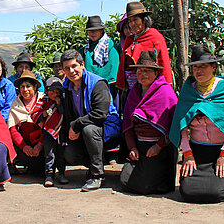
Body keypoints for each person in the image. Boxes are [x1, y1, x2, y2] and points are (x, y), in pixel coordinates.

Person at [170, 45, 224, 203]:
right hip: (196, 152)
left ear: (214, 67)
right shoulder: (189, 90)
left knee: (216, 193)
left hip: (221, 151)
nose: (198, 71)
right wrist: (187, 153)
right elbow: (182, 125)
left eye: (203, 66)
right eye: (195, 67)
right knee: (187, 191)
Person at [60, 49, 121, 191]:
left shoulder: (97, 83)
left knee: (89, 129)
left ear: (82, 65)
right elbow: (69, 114)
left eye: (74, 66)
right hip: (85, 128)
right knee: (70, 154)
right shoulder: (67, 86)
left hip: (107, 127)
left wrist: (76, 125)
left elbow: (100, 114)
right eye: (67, 68)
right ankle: (93, 164)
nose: (71, 71)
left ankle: (97, 175)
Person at [119, 51, 178, 195]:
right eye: (139, 70)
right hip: (140, 148)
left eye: (147, 70)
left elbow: (173, 127)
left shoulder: (166, 92)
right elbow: (128, 126)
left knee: (148, 187)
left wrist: (158, 146)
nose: (142, 74)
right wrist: (132, 147)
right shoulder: (134, 93)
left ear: (156, 73)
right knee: (124, 180)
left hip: (161, 148)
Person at [116, 2, 173, 92]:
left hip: (151, 85)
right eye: (130, 21)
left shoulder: (155, 37)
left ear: (144, 20)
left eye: (135, 20)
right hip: (131, 88)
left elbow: (163, 62)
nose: (132, 24)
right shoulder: (129, 39)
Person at [7, 71, 45, 177]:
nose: (25, 90)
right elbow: (13, 129)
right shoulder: (16, 104)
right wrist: (23, 146)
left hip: (43, 142)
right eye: (22, 87)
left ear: (35, 87)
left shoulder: (44, 100)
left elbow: (49, 126)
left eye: (28, 86)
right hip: (26, 143)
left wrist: (40, 145)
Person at [81, 15, 121, 109]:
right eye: (90, 31)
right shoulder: (86, 49)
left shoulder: (110, 45)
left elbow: (113, 67)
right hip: (91, 86)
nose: (92, 33)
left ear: (101, 31)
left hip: (109, 86)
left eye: (95, 30)